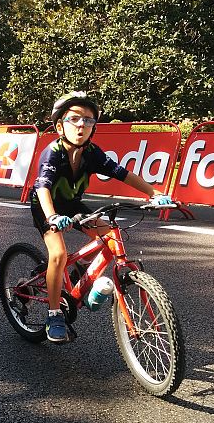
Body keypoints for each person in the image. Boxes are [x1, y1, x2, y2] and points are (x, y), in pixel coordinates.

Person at [29, 91, 173, 343]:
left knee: (109, 236)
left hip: (72, 204)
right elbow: (42, 186)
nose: (81, 125)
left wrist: (154, 193)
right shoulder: (53, 152)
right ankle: (54, 315)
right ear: (60, 125)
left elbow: (122, 174)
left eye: (88, 120)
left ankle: (82, 274)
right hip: (46, 205)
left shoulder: (92, 152)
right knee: (59, 254)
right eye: (74, 119)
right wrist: (52, 217)